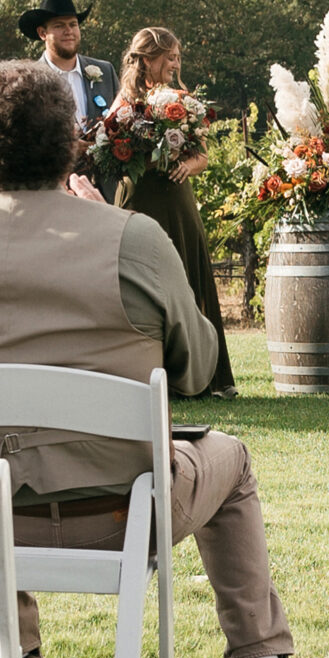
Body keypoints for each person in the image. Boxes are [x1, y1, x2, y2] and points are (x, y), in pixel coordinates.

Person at [0, 60, 313, 658]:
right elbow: (200, 368)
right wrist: (113, 231)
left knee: (1, 463)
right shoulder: (130, 237)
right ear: (71, 141)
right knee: (229, 459)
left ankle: (14, 652)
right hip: (124, 517)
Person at [106, 26, 235, 397]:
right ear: (147, 59)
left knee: (187, 274)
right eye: (170, 56)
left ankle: (205, 375)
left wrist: (186, 166)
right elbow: (114, 153)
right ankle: (147, 373)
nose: (176, 63)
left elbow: (202, 156)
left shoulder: (183, 101)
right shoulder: (122, 104)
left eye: (178, 56)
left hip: (177, 199)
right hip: (138, 198)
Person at [19, 0, 118, 193]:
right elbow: (24, 143)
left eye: (73, 24)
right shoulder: (28, 81)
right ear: (42, 33)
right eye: (59, 25)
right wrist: (63, 146)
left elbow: (121, 121)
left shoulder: (104, 71)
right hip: (54, 191)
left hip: (106, 190)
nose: (69, 31)